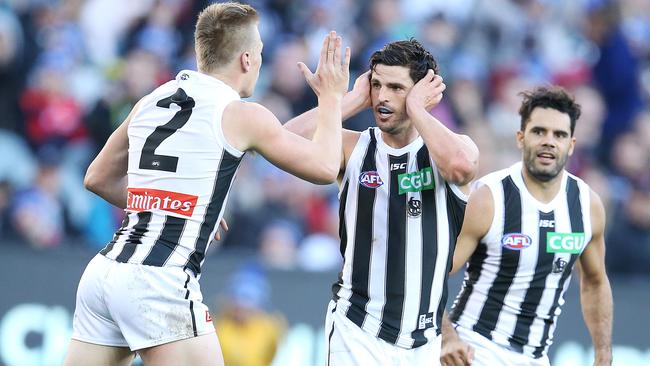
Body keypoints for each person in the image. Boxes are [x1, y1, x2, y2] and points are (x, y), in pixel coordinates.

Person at [63, 3, 350, 366]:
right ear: (247, 59)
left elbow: (97, 178)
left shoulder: (152, 100)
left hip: (104, 272)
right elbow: (324, 167)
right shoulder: (241, 113)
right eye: (260, 53)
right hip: (159, 279)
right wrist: (332, 97)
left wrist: (176, 208)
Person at [285, 38, 479, 364]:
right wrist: (348, 101)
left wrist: (418, 110)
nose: (383, 97)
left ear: (421, 92)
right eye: (376, 85)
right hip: (357, 328)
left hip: (424, 341)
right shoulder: (354, 147)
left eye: (396, 88)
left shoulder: (451, 149)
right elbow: (282, 141)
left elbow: (461, 166)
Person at [441, 87, 613, 366]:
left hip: (536, 358)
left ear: (571, 144)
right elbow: (431, 275)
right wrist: (447, 337)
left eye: (559, 135)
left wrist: (603, 354)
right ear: (521, 138)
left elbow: (595, 282)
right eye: (539, 131)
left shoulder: (587, 205)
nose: (549, 141)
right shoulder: (490, 197)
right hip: (476, 348)